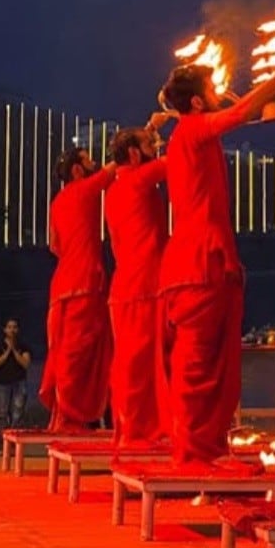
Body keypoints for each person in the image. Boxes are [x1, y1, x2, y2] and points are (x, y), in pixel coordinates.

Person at [158, 63, 275, 466]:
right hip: (198, 265)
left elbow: (238, 116)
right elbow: (237, 115)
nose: (221, 90)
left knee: (210, 365)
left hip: (199, 263)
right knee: (198, 367)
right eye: (212, 87)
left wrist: (266, 106)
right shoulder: (191, 129)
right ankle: (193, 455)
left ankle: (204, 449)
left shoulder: (190, 135)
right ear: (197, 101)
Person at [39, 146, 115, 432]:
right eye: (87, 159)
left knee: (65, 351)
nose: (93, 162)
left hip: (62, 283)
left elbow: (55, 246)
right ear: (76, 170)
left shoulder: (57, 202)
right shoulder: (85, 189)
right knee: (79, 353)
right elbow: (117, 165)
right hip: (83, 282)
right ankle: (71, 418)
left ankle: (67, 415)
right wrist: (150, 129)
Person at [105, 123, 169, 448]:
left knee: (130, 364)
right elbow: (182, 157)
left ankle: (131, 433)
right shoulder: (142, 179)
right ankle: (142, 435)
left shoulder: (115, 188)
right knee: (145, 366)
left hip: (124, 288)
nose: (156, 146)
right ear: (133, 154)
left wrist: (151, 127)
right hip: (144, 285)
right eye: (149, 143)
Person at [0, 318, 32, 449]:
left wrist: (14, 350)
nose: (12, 330)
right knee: (2, 415)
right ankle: (3, 446)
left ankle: (15, 446)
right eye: (9, 327)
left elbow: (26, 364)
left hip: (19, 383)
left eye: (14, 327)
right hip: (2, 383)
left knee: (17, 415)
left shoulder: (23, 346)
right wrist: (7, 351)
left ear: (18, 330)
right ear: (5, 330)